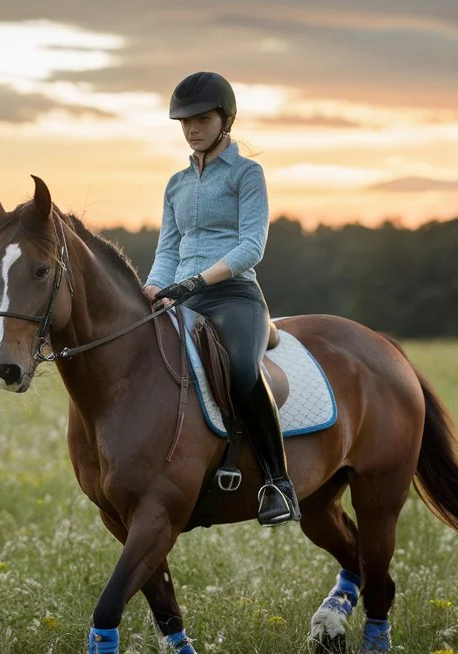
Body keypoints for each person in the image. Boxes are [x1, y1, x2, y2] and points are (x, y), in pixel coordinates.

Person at [142, 71, 300, 527]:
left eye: (202, 119)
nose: (192, 129)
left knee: (243, 370)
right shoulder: (176, 184)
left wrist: (197, 283)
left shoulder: (249, 174)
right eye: (184, 122)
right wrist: (155, 286)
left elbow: (253, 245)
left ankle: (277, 482)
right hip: (181, 298)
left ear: (225, 119)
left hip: (234, 296)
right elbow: (168, 249)